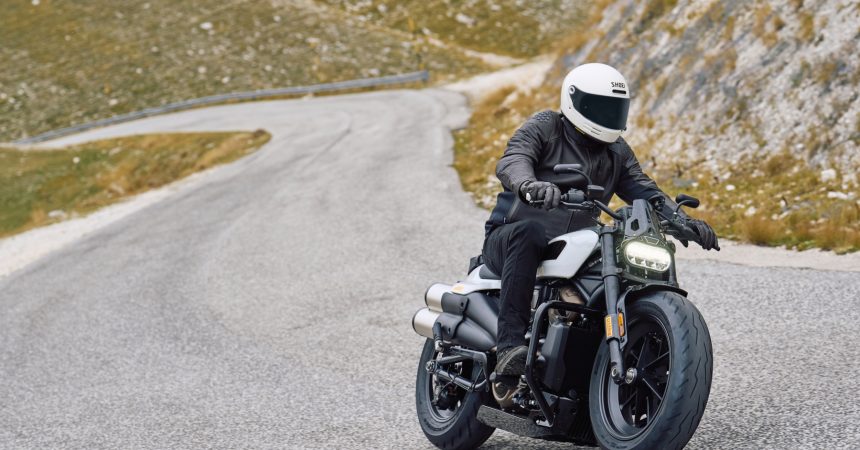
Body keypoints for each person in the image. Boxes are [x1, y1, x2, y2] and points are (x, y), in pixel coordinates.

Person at [482, 63, 719, 379]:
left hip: (571, 249)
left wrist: (683, 222)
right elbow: (514, 159)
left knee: (618, 255)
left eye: (614, 108)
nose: (607, 115)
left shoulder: (616, 151)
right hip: (509, 240)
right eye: (599, 107)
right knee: (529, 232)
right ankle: (509, 347)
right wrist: (529, 185)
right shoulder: (546, 126)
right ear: (574, 100)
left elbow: (645, 191)